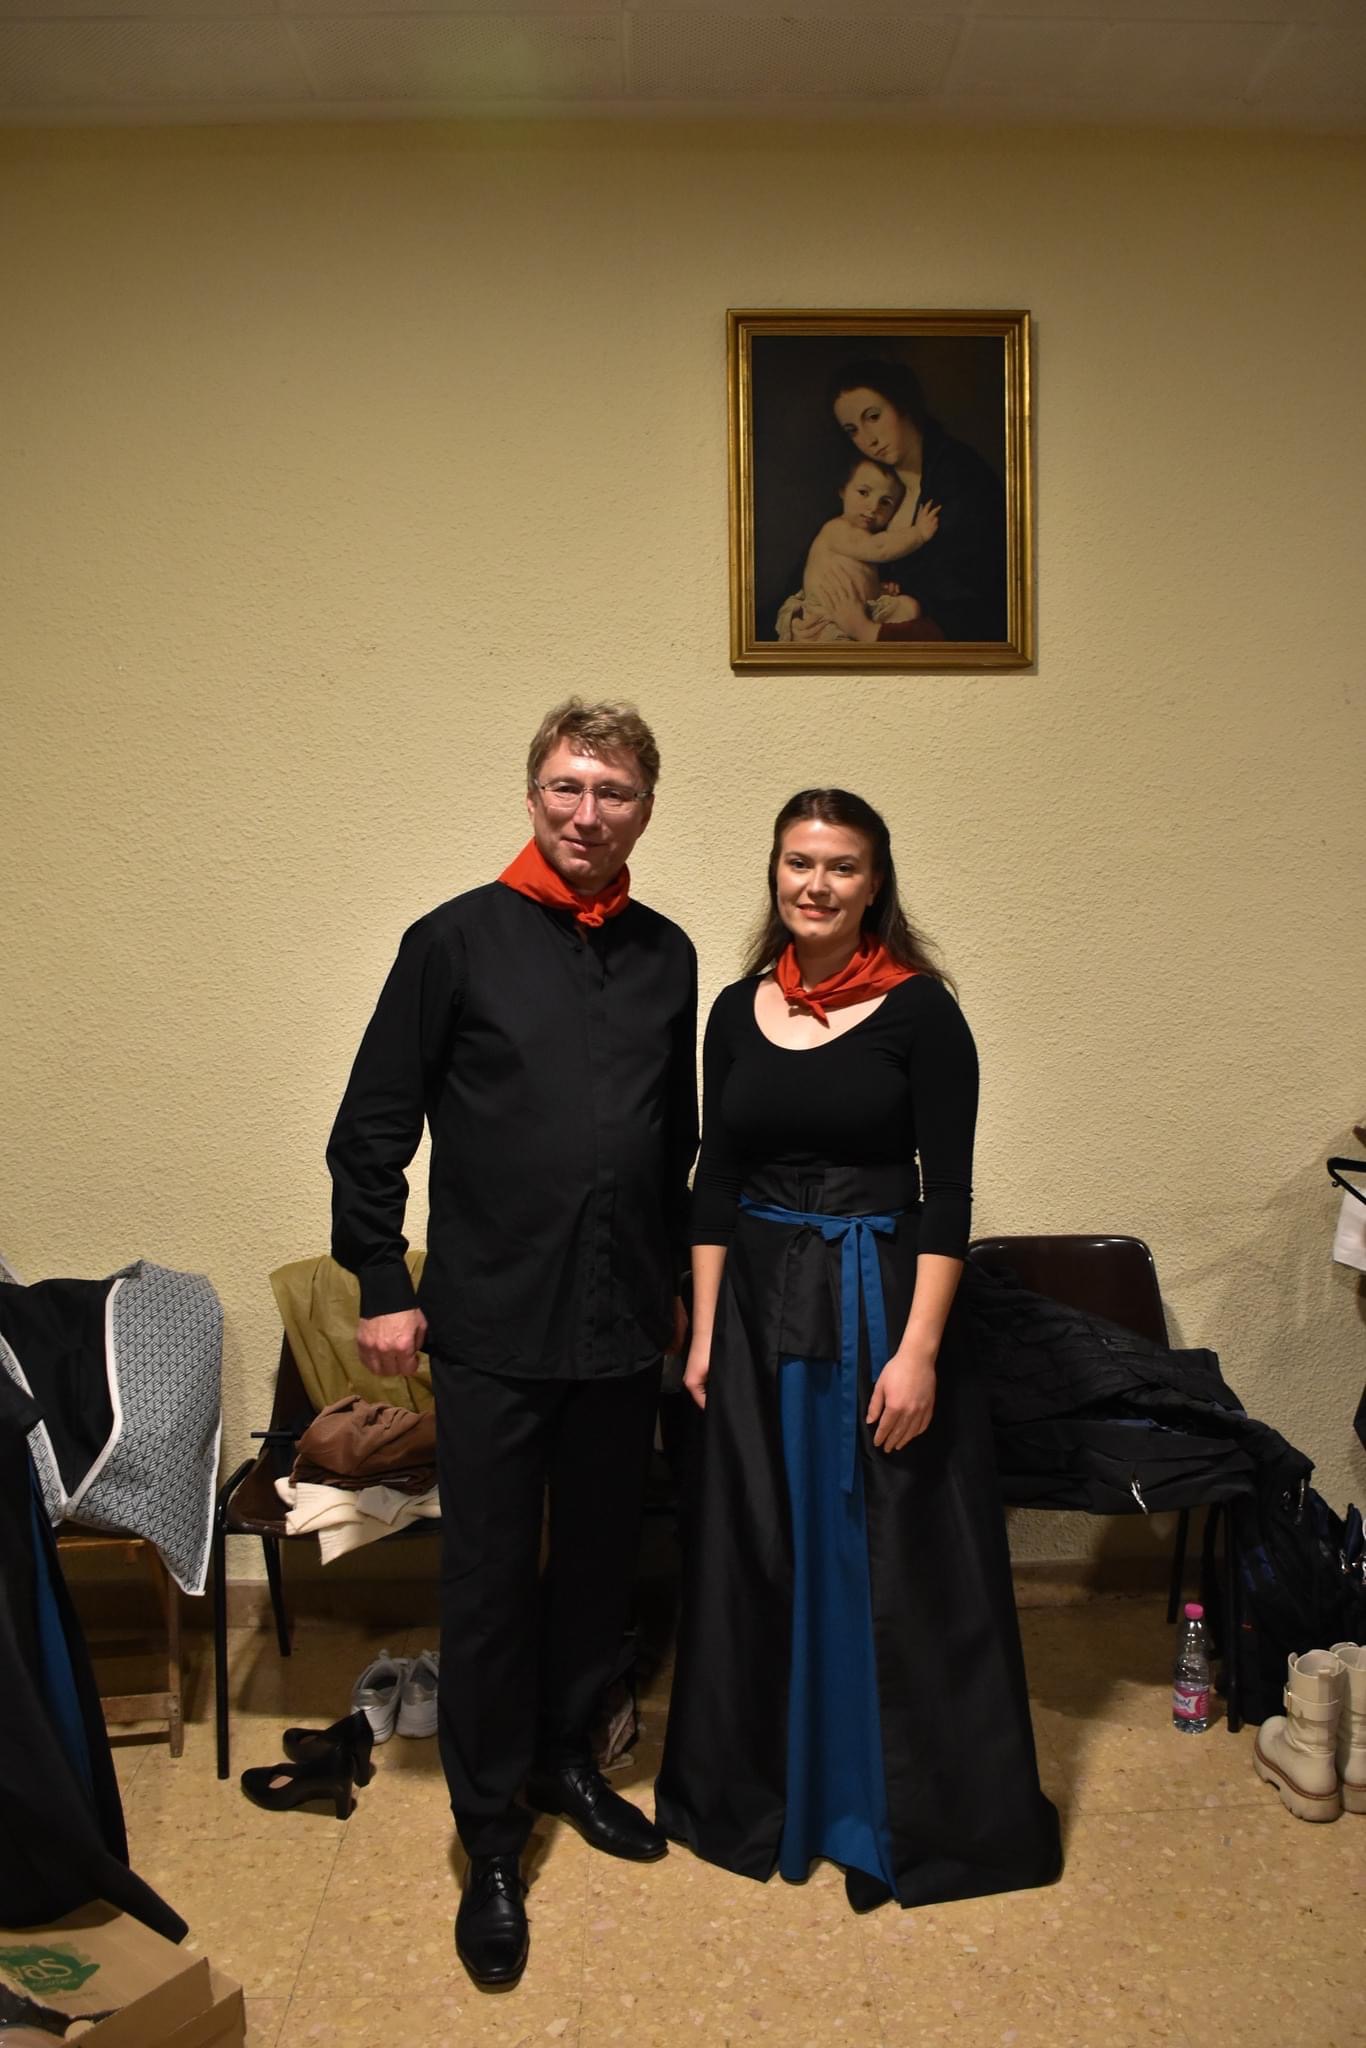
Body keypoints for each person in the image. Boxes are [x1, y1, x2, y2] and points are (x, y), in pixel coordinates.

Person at [327, 699, 697, 1988]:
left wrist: (677, 1285)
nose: (587, 812)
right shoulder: (452, 940)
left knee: (597, 1564)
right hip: (489, 1321)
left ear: (644, 808)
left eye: (614, 791)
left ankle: (564, 1760)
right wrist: (384, 1280)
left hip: (619, 1322)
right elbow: (373, 1126)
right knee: (488, 1584)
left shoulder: (667, 955)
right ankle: (490, 1837)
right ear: (533, 793)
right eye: (567, 785)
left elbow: (673, 1139)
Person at [654, 788, 1060, 1912]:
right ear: (774, 873)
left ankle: (882, 1813)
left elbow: (948, 1194)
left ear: (875, 882)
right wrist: (702, 1328)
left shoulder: (923, 1011)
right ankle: (771, 1794)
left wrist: (919, 1351)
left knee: (876, 1552)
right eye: (799, 862)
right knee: (762, 1542)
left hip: (879, 1304)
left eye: (841, 866)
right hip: (753, 1312)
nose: (817, 884)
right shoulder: (734, 1009)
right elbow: (715, 1180)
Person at [791, 357, 1007, 644]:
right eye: (853, 430)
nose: (868, 439)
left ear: (902, 404)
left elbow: (971, 603)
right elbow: (808, 571)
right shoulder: (869, 488)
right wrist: (798, 620)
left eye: (873, 417)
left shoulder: (961, 477)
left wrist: (872, 629)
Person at [774, 451, 940, 645]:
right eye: (863, 492)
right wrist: (918, 534)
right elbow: (880, 548)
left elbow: (858, 576)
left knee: (910, 607)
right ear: (843, 491)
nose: (873, 507)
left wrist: (878, 588)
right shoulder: (837, 529)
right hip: (826, 617)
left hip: (863, 610)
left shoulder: (863, 537)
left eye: (885, 502)